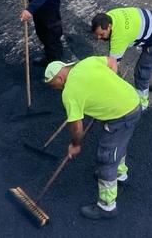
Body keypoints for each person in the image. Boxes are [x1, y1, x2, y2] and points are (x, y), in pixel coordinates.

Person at [44, 58, 142, 220]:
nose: (54, 89)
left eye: (53, 85)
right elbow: (112, 62)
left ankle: (107, 206)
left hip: (122, 115)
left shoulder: (70, 93)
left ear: (59, 78)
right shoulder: (86, 63)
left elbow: (76, 126)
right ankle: (119, 173)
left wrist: (75, 144)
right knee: (118, 143)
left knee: (106, 157)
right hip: (132, 100)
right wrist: (107, 89)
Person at [91, 7, 152, 111]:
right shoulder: (110, 16)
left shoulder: (119, 36)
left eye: (101, 34)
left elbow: (113, 65)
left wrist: (105, 88)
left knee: (142, 71)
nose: (99, 38)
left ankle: (141, 104)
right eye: (97, 35)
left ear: (109, 26)